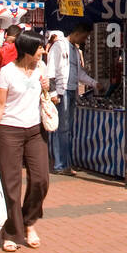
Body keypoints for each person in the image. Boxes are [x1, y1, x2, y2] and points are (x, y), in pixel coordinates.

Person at [0, 31, 53, 252]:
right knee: (11, 184)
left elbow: (47, 97)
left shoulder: (41, 70)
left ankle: (29, 220)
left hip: (35, 130)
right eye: (39, 49)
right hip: (10, 131)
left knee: (41, 179)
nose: (42, 52)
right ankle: (11, 232)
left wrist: (47, 88)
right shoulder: (6, 73)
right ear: (27, 50)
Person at [46, 23, 96, 175]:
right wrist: (54, 92)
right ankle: (60, 164)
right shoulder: (59, 46)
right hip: (62, 92)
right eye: (84, 36)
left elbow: (79, 73)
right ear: (78, 32)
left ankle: (66, 162)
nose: (84, 40)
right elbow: (51, 71)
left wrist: (94, 83)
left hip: (72, 91)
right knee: (62, 129)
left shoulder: (74, 49)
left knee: (67, 129)